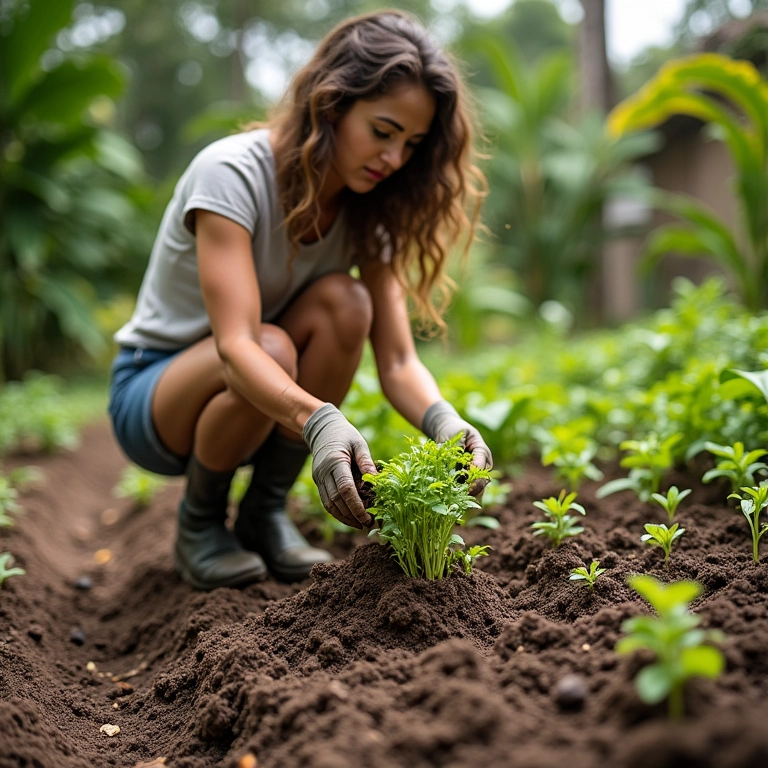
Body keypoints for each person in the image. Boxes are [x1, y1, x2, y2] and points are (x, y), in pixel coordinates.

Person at [107, 9, 493, 590]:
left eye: (411, 144)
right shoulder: (231, 174)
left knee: (348, 304)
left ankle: (265, 513)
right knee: (269, 345)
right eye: (383, 131)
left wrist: (446, 423)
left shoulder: (371, 215)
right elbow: (237, 346)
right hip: (156, 393)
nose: (394, 159)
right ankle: (200, 522)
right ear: (331, 103)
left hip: (259, 387)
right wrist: (319, 421)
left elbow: (397, 360)